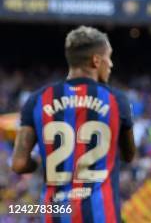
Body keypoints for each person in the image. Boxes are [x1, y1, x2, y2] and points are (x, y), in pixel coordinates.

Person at [12, 26, 136, 222]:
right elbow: (129, 155)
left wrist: (40, 163)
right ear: (96, 60)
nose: (110, 64)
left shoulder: (37, 100)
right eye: (108, 57)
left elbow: (18, 164)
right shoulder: (117, 100)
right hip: (102, 214)